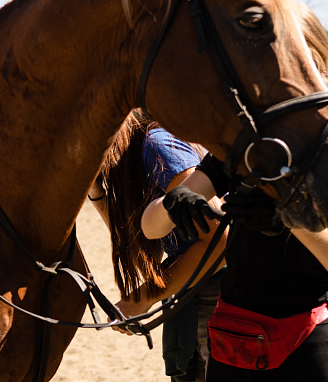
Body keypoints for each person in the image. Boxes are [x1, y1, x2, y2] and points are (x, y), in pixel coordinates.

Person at [143, 6, 328, 381]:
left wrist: (291, 218)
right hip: (234, 340)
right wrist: (173, 200)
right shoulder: (242, 149)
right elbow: (151, 228)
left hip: (309, 342)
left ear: (316, 66)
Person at [90, 113, 226, 382]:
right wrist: (96, 191)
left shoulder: (158, 145)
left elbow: (220, 241)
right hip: (194, 287)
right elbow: (138, 240)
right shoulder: (145, 149)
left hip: (217, 290)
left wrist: (143, 299)